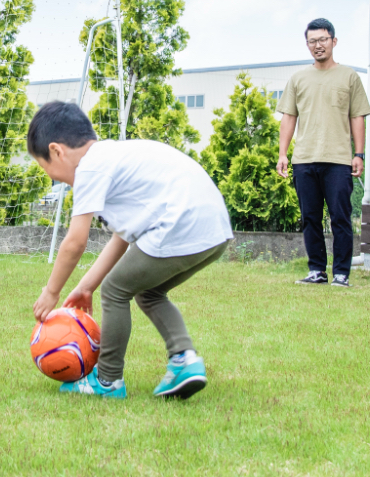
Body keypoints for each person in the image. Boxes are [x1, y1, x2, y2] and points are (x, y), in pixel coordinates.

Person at [28, 101, 233, 400]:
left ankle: (108, 380)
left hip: (179, 222)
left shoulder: (90, 168)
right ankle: (184, 360)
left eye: (46, 168)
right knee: (147, 291)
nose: (52, 177)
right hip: (213, 226)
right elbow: (122, 238)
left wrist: (51, 292)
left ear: (57, 151)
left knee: (115, 290)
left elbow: (75, 242)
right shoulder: (113, 157)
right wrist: (86, 287)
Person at [275, 18, 370, 287]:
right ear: (307, 44)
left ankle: (341, 273)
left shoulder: (349, 76)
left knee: (340, 218)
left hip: (339, 160)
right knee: (310, 218)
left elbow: (357, 117)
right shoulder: (298, 78)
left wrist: (359, 154)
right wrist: (283, 154)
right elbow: (288, 118)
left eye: (323, 40)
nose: (318, 45)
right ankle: (317, 271)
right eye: (312, 41)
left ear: (334, 41)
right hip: (304, 160)